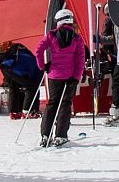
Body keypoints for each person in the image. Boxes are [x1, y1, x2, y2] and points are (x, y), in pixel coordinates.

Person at [33, 9, 85, 147]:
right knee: (65, 105)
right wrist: (76, 77)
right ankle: (61, 135)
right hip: (69, 76)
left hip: (54, 76)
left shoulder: (52, 36)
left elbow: (38, 50)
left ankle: (45, 135)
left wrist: (42, 66)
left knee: (52, 104)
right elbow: (80, 60)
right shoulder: (77, 38)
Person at [0, 40, 41, 120]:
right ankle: (28, 112)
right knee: (32, 87)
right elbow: (35, 85)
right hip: (15, 68)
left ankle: (14, 112)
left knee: (13, 88)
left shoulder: (16, 52)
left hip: (5, 66)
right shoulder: (38, 67)